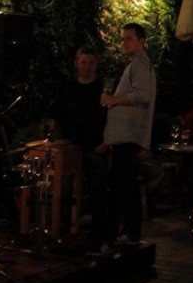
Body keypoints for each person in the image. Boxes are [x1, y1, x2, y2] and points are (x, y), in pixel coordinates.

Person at [95, 22, 156, 248]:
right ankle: (129, 233)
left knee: (124, 186)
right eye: (123, 39)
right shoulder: (136, 64)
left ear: (141, 41)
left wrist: (114, 100)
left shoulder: (140, 64)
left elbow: (143, 95)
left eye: (129, 39)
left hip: (127, 137)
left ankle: (126, 234)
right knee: (127, 186)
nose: (124, 43)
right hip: (124, 136)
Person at [48, 47, 108, 225]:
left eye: (91, 62)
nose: (87, 67)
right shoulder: (67, 88)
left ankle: (98, 225)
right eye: (83, 62)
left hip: (95, 145)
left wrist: (107, 142)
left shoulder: (103, 89)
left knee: (98, 185)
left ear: (96, 64)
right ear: (76, 64)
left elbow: (111, 117)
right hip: (70, 146)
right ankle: (64, 223)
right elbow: (56, 115)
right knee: (64, 185)